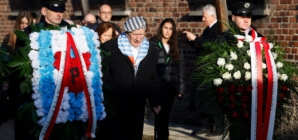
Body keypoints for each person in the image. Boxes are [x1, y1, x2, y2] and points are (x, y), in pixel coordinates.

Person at [12, 1, 70, 139]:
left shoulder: (72, 32)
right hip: (38, 100)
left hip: (65, 99)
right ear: (44, 11)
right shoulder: (29, 34)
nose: (58, 14)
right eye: (54, 10)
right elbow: (19, 71)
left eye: (61, 11)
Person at [99, 16, 161, 140]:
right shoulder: (110, 47)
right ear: (127, 33)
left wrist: (156, 101)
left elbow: (152, 79)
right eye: (135, 34)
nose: (138, 38)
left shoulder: (152, 51)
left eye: (141, 34)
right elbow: (102, 76)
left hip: (137, 106)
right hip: (114, 106)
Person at [149, 18, 185, 140]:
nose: (168, 31)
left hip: (170, 88)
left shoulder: (176, 46)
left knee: (164, 118)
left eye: (171, 29)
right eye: (165, 28)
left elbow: (181, 68)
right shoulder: (153, 43)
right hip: (157, 88)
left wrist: (181, 88)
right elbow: (149, 67)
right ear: (161, 29)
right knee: (161, 119)